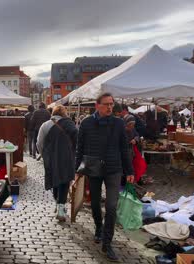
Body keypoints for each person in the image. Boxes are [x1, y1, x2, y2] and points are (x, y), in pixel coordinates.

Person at [75, 93, 134, 262]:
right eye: (106, 104)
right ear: (97, 105)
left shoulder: (118, 123)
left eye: (111, 104)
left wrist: (129, 171)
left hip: (114, 169)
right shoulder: (86, 123)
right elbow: (80, 148)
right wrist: (77, 170)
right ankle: (98, 228)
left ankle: (107, 243)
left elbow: (124, 148)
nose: (110, 107)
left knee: (111, 205)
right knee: (94, 202)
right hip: (93, 168)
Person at [36, 105, 77, 221]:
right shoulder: (70, 124)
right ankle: (60, 207)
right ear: (64, 114)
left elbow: (39, 143)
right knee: (64, 181)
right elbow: (76, 140)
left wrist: (44, 156)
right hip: (66, 157)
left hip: (51, 158)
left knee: (54, 180)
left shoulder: (45, 125)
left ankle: (58, 203)